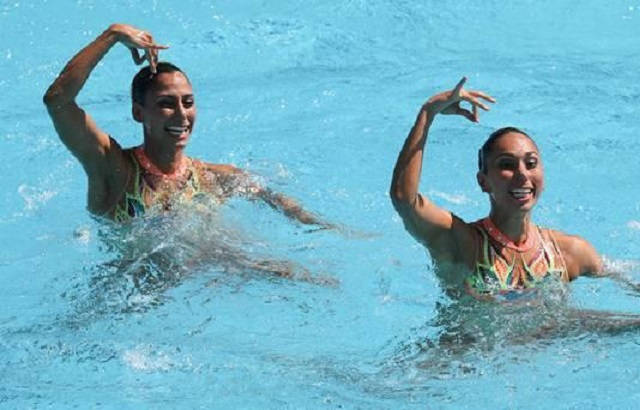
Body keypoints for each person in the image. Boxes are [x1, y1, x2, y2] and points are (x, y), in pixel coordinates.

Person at [43, 23, 329, 227]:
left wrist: (325, 228)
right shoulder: (115, 171)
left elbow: (273, 197)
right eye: (166, 104)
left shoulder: (210, 177)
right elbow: (57, 101)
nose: (182, 114)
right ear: (138, 113)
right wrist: (112, 35)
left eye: (188, 102)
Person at [390, 77, 604, 300]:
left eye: (531, 163)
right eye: (507, 165)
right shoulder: (463, 244)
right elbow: (404, 199)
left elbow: (618, 279)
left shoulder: (570, 252)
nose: (522, 174)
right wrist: (428, 113)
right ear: (483, 181)